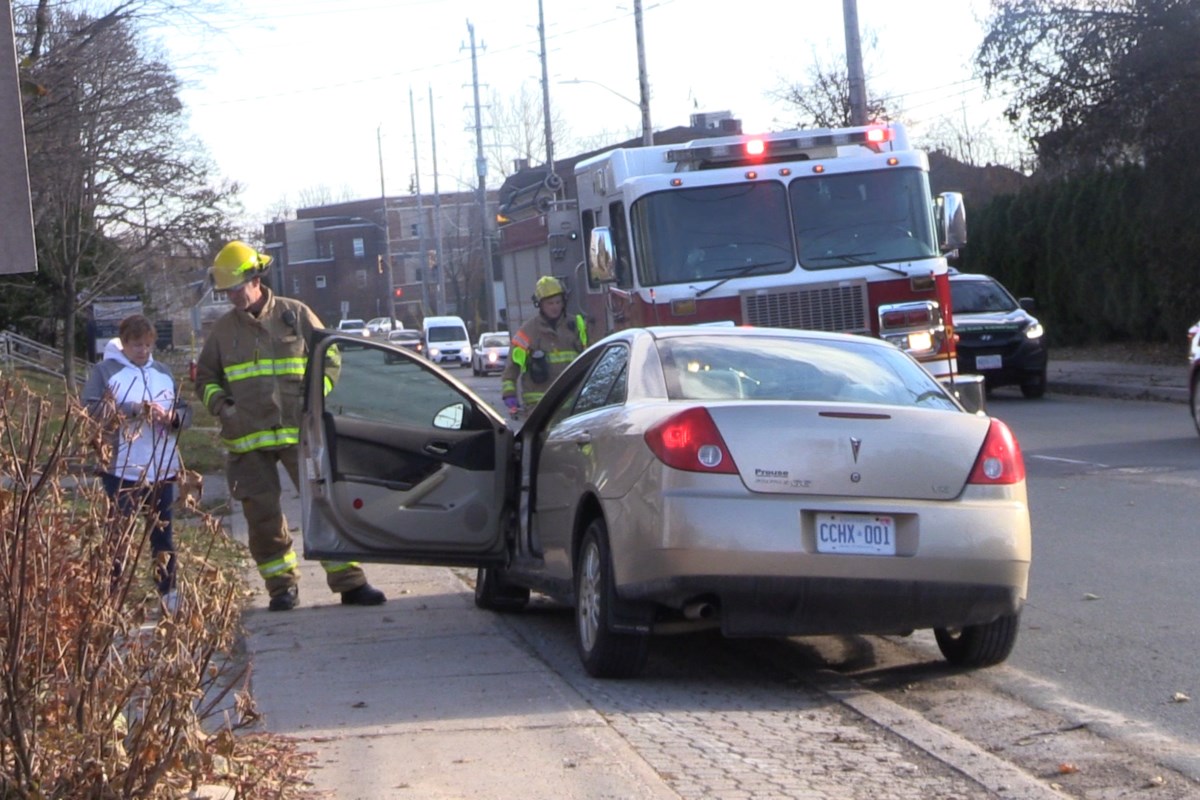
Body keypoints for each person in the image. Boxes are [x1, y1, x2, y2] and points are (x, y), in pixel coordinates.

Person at [194, 240, 386, 612]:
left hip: (300, 435)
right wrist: (221, 406)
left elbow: (329, 358)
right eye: (226, 291)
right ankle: (281, 588)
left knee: (324, 505)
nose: (232, 297)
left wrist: (315, 399)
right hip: (246, 441)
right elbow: (205, 379)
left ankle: (349, 581)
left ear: (254, 278)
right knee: (262, 516)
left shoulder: (296, 315)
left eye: (235, 289)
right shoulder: (222, 332)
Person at [82, 314, 190, 612]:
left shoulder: (163, 371)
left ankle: (169, 595)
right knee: (118, 536)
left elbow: (183, 409)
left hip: (162, 469)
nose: (142, 350)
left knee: (163, 535)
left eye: (146, 344)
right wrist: (133, 410)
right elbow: (89, 409)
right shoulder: (106, 372)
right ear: (123, 344)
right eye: (135, 345)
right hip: (121, 469)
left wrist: (173, 419)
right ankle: (111, 598)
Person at [501, 275, 588, 417]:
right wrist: (509, 394)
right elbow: (512, 366)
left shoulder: (577, 326)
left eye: (558, 302)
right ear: (540, 304)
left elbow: (592, 357)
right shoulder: (528, 332)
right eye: (550, 303)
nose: (555, 307)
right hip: (538, 408)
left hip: (573, 406)